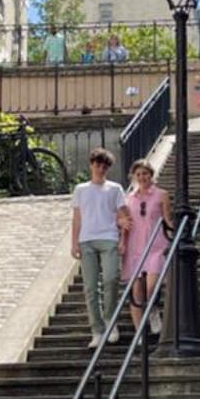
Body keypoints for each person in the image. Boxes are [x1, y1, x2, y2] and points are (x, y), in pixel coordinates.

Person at [71, 148, 130, 347]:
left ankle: (110, 322)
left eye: (104, 166)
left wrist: (123, 239)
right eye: (97, 164)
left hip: (109, 237)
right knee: (90, 287)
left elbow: (124, 216)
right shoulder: (81, 189)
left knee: (111, 278)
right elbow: (77, 218)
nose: (100, 168)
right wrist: (74, 242)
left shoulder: (115, 188)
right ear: (91, 164)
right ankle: (96, 330)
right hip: (86, 239)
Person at [121, 159, 172, 346]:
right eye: (139, 174)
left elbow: (167, 219)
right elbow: (124, 223)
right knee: (136, 293)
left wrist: (176, 236)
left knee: (151, 286)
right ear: (134, 177)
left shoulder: (161, 195)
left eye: (145, 174)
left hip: (156, 245)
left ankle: (152, 311)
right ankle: (139, 334)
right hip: (134, 247)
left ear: (151, 175)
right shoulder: (128, 198)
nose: (142, 177)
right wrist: (121, 241)